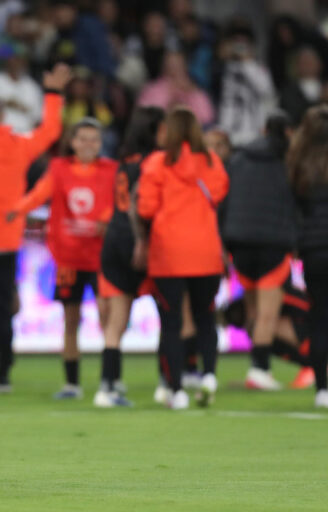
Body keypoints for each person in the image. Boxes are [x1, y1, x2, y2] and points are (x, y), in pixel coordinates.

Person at [8, 118, 117, 400]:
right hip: (69, 258)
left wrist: (107, 219)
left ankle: (111, 379)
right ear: (72, 142)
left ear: (100, 143)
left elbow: (119, 201)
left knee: (109, 319)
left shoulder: (111, 171)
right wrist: (15, 210)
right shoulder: (58, 169)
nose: (88, 144)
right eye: (83, 139)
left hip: (102, 256)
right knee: (71, 320)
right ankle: (72, 384)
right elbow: (38, 195)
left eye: (94, 139)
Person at [0, 63, 68, 392]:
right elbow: (50, 133)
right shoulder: (17, 144)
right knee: (4, 306)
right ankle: (3, 372)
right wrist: (54, 94)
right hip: (7, 240)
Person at [137, 107, 228, 410]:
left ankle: (177, 391)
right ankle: (209, 376)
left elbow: (146, 208)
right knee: (205, 317)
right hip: (206, 252)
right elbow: (220, 193)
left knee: (172, 323)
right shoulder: (212, 161)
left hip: (169, 254)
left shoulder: (156, 163)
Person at [221, 112, 297, 390]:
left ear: (263, 130)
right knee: (268, 314)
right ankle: (260, 370)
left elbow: (224, 200)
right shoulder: (289, 162)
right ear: (289, 132)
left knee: (253, 310)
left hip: (239, 245)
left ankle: (257, 367)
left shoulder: (238, 160)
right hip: (273, 245)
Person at [97, 106, 165, 407]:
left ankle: (107, 388)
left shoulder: (125, 161)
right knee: (169, 315)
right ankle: (168, 383)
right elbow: (142, 205)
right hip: (144, 243)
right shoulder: (155, 162)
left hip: (114, 239)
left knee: (115, 324)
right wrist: (143, 241)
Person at [286, 104, 328, 408]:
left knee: (320, 318)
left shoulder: (297, 163)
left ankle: (322, 389)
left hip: (313, 251)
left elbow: (291, 211)